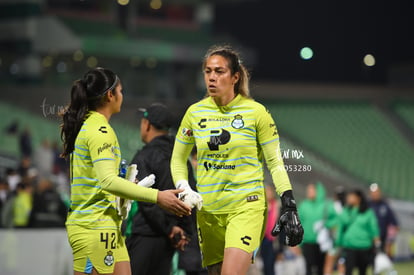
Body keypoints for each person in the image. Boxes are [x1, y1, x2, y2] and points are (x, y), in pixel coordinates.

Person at [170, 44, 303, 275]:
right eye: (208, 71)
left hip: (246, 206)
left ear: (235, 77)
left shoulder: (256, 112)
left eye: (219, 71)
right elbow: (177, 159)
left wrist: (288, 200)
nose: (212, 77)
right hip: (208, 210)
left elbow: (274, 161)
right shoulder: (194, 113)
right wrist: (184, 187)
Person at [60, 67, 191, 275]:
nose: (122, 96)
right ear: (110, 95)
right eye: (120, 91)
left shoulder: (93, 126)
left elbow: (102, 182)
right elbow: (107, 182)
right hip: (94, 227)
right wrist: (157, 196)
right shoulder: (100, 130)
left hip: (108, 226)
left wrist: (131, 186)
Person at [125, 103, 195, 275]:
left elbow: (144, 198)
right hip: (170, 240)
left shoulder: (144, 156)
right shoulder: (181, 158)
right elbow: (189, 194)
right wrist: (181, 230)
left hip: (145, 234)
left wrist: (169, 228)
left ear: (147, 125)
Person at [336, 189, 380, 275]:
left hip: (364, 247)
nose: (349, 199)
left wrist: (377, 242)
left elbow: (374, 228)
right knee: (348, 271)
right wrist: (338, 244)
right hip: (349, 247)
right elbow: (341, 228)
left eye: (352, 197)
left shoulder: (367, 212)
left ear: (359, 198)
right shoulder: (345, 211)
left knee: (362, 271)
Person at [298, 182, 335, 275]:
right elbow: (298, 222)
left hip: (322, 243)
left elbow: (336, 219)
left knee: (320, 267)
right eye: (308, 190)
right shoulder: (303, 205)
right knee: (308, 267)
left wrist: (326, 224)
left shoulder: (326, 204)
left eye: (311, 190)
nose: (309, 192)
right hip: (307, 241)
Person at [368, 183, 399, 258]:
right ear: (370, 193)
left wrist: (390, 240)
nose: (376, 194)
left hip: (382, 238)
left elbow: (393, 223)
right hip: (368, 238)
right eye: (374, 192)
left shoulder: (385, 205)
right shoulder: (366, 205)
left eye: (377, 192)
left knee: (382, 259)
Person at [260, 184, 279, 275]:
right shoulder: (261, 206)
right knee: (263, 264)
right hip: (262, 238)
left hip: (273, 240)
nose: (267, 193)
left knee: (271, 265)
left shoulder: (277, 206)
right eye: (266, 191)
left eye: (269, 191)